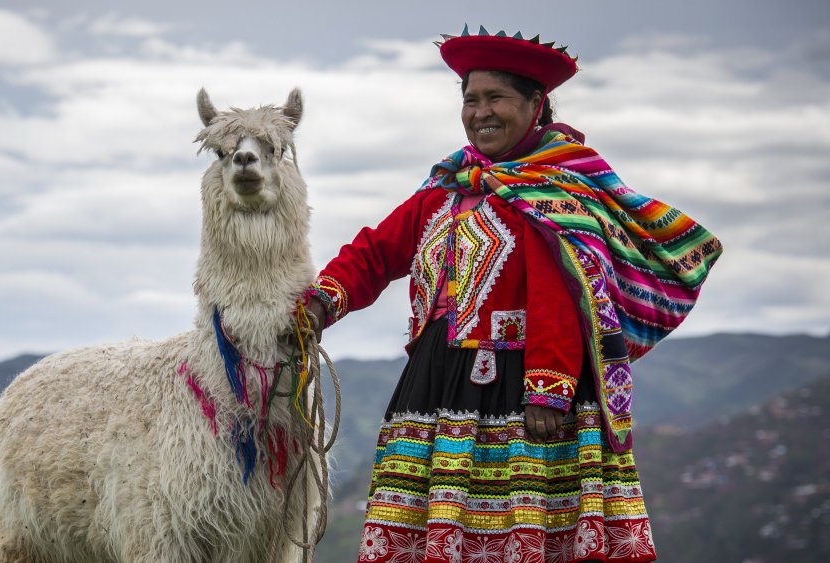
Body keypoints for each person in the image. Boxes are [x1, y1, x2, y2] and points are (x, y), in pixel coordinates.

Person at [306, 27, 721, 563]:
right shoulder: (447, 188)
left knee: (521, 529)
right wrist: (321, 302)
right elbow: (376, 252)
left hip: (523, 389)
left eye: (496, 98)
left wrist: (547, 389)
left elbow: (564, 292)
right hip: (435, 384)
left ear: (536, 104)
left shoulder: (558, 191)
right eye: (471, 100)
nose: (481, 112)